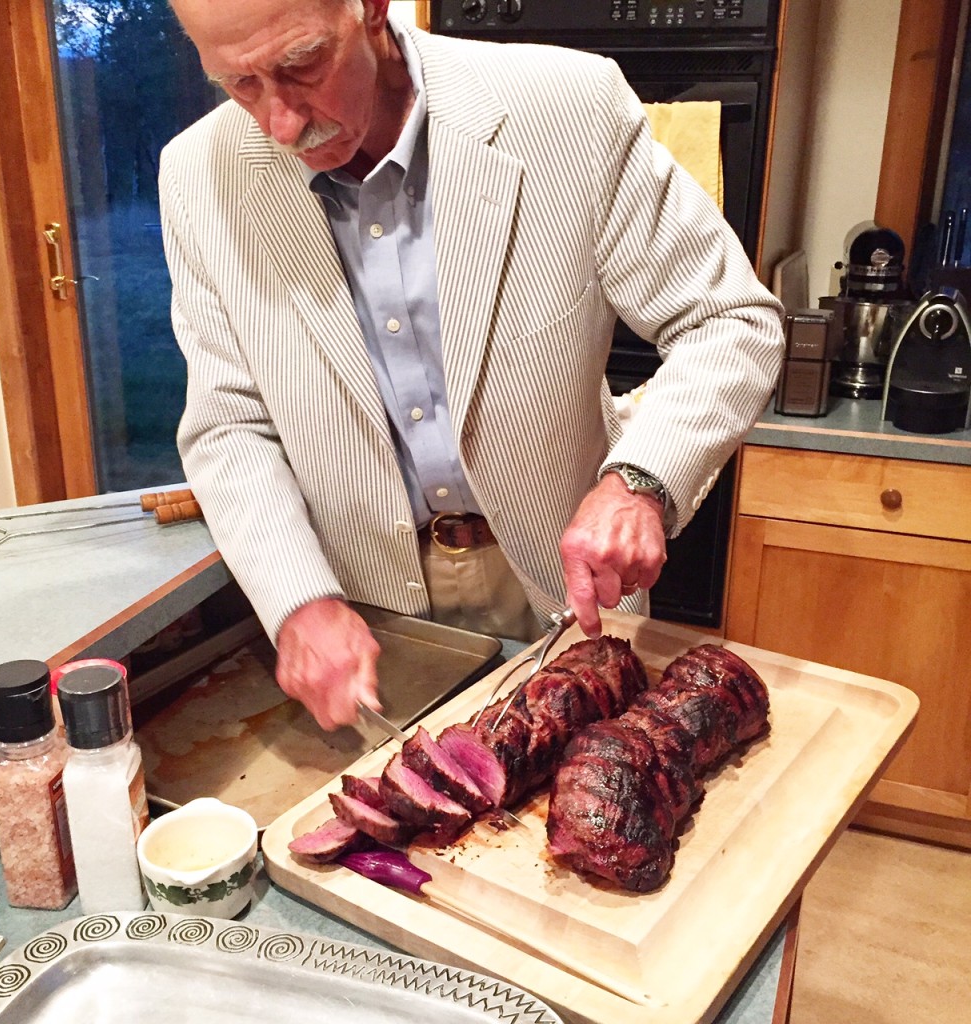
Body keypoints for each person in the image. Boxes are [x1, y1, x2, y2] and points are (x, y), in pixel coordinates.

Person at [160, 0, 785, 731]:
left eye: (302, 65)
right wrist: (299, 599)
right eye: (239, 84)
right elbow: (228, 423)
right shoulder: (198, 176)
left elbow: (729, 320)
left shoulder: (568, 107)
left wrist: (637, 484)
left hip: (562, 587)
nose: (282, 123)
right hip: (365, 610)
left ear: (370, 9)